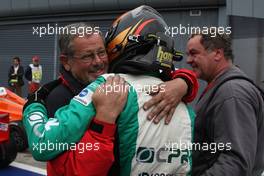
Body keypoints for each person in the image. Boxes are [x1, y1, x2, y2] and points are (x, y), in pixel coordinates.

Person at [23, 6, 196, 176]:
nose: (98, 62)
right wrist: (33, 104)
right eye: (87, 56)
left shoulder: (161, 89)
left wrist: (184, 82)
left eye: (102, 52)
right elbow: (48, 151)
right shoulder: (58, 97)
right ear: (65, 61)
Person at [185, 31, 264, 175]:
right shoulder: (223, 89)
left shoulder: (232, 93)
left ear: (217, 53)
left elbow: (235, 163)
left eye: (194, 53)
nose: (188, 60)